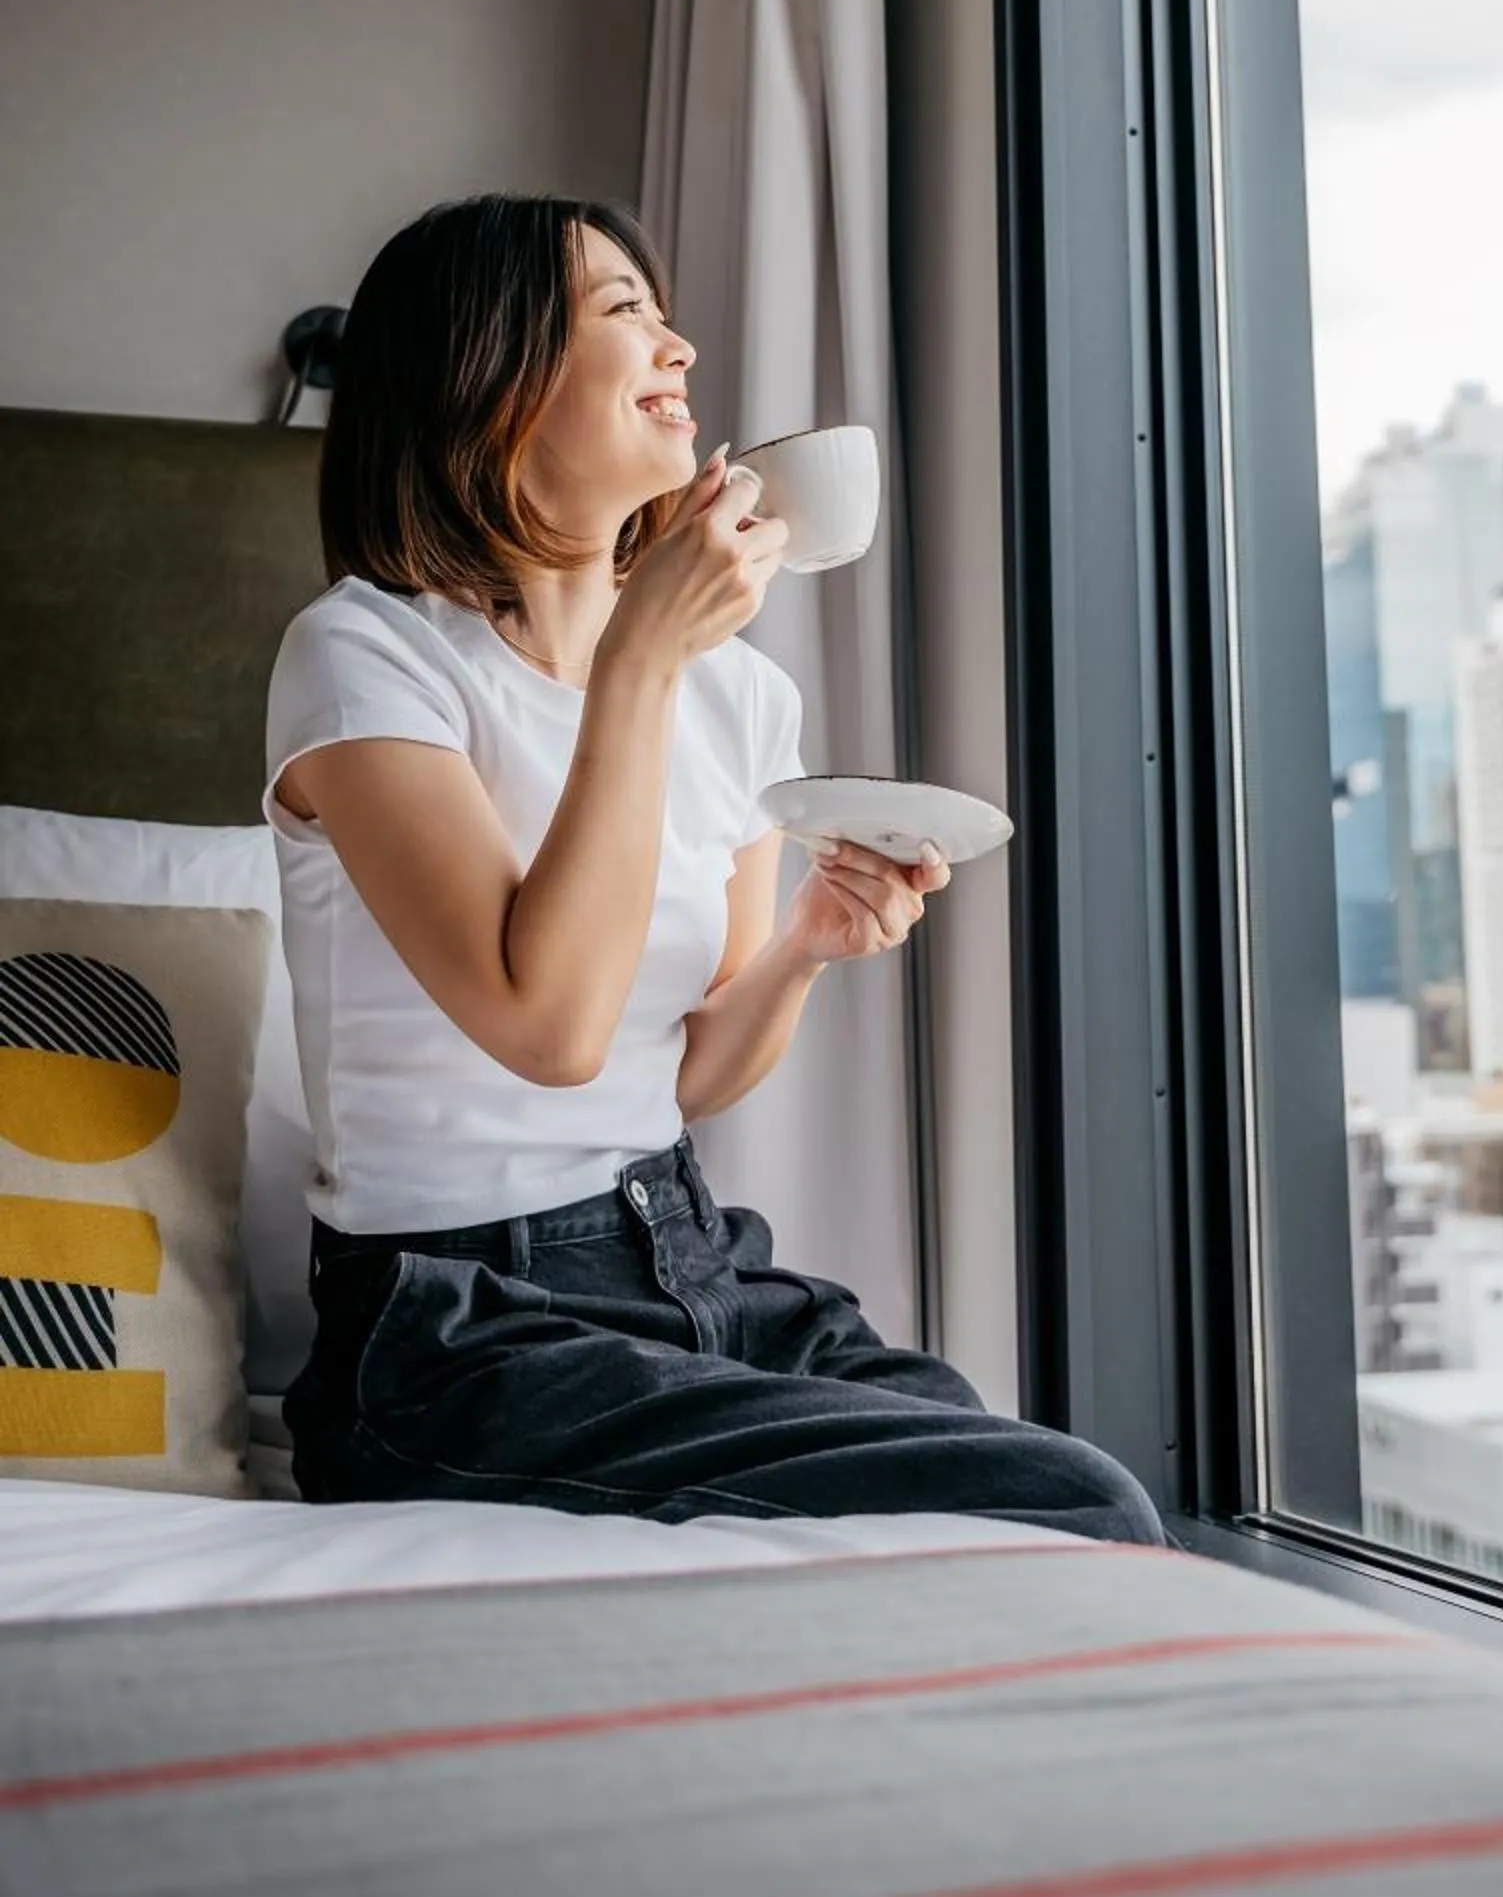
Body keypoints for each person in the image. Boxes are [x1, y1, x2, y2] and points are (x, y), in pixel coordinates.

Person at [266, 192, 1164, 1544]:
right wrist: (640, 662)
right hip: (459, 1334)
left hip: (690, 1253)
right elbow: (551, 1031)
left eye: (666, 313)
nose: (679, 348)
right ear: (486, 372)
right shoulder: (367, 659)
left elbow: (679, 1076)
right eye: (627, 313)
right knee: (1062, 1506)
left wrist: (806, 943)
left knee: (1018, 1499)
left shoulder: (741, 693)